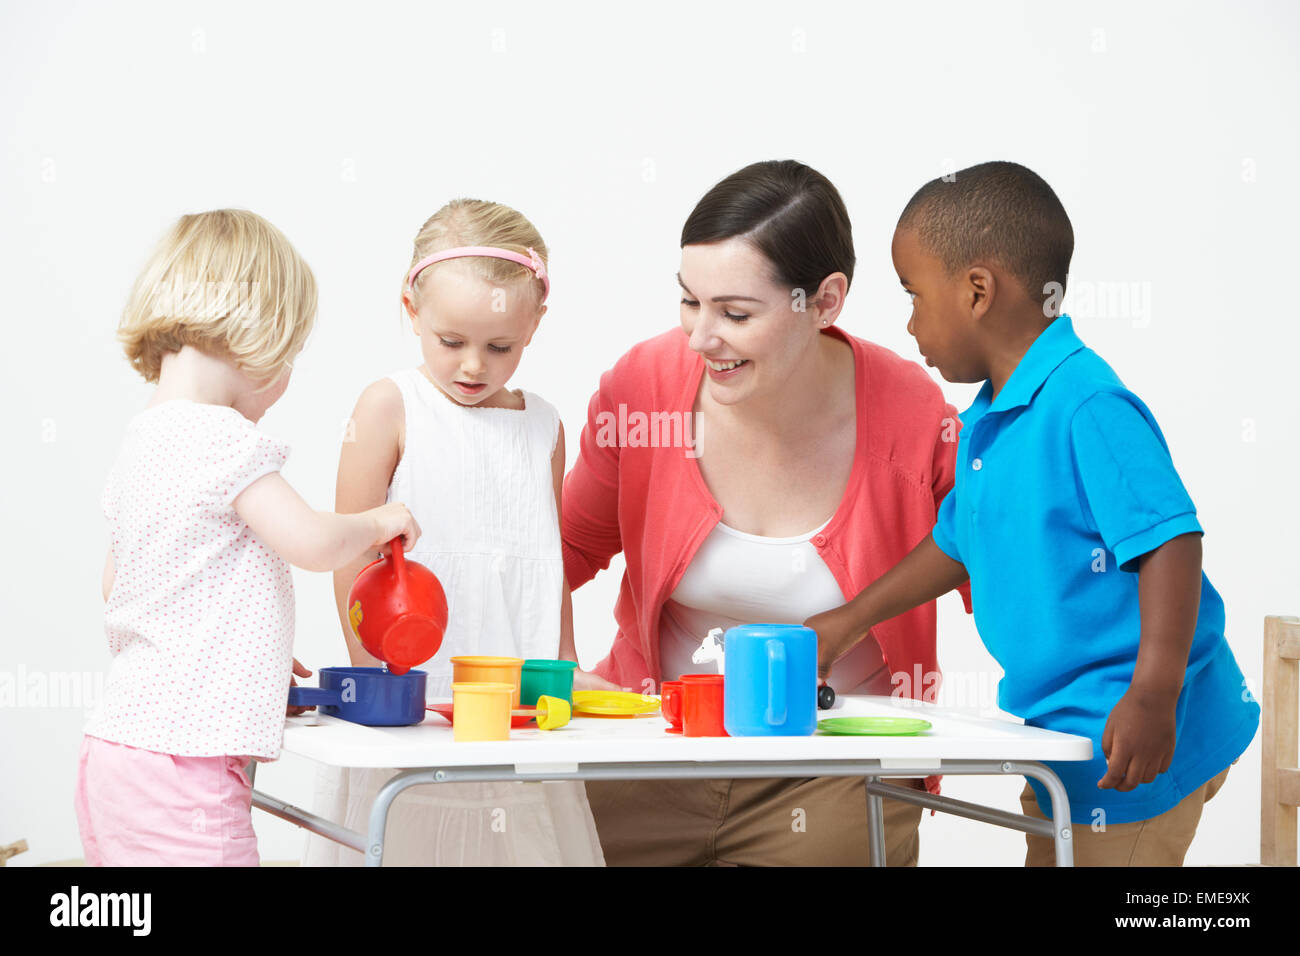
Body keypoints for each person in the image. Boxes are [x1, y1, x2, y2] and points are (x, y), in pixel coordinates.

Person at [806, 161, 1260, 866]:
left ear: (977, 291)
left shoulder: (1085, 404)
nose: (911, 323)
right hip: (1060, 745)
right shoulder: (993, 418)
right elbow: (958, 542)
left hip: (1134, 746)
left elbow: (1172, 540)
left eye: (915, 295)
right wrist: (848, 619)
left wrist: (1153, 694)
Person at [562, 160, 971, 866]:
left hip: (837, 769)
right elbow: (556, 553)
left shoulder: (911, 417)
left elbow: (1008, 569)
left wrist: (1156, 687)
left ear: (825, 300)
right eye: (690, 302)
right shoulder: (645, 389)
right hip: (654, 748)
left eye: (736, 314)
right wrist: (555, 664)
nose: (700, 337)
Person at [77, 209, 420, 866]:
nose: (287, 380)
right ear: (253, 338)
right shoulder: (224, 438)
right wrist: (381, 520)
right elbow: (312, 542)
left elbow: (119, 587)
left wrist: (243, 655)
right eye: (290, 356)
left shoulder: (142, 441)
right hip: (184, 773)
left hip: (114, 758)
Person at [302, 198, 605, 866]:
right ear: (411, 311)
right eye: (451, 342)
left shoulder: (544, 426)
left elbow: (541, 563)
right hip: (411, 699)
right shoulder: (389, 407)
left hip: (514, 715)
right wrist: (376, 677)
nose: (473, 365)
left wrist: (568, 667)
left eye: (500, 346)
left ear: (535, 324)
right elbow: (348, 557)